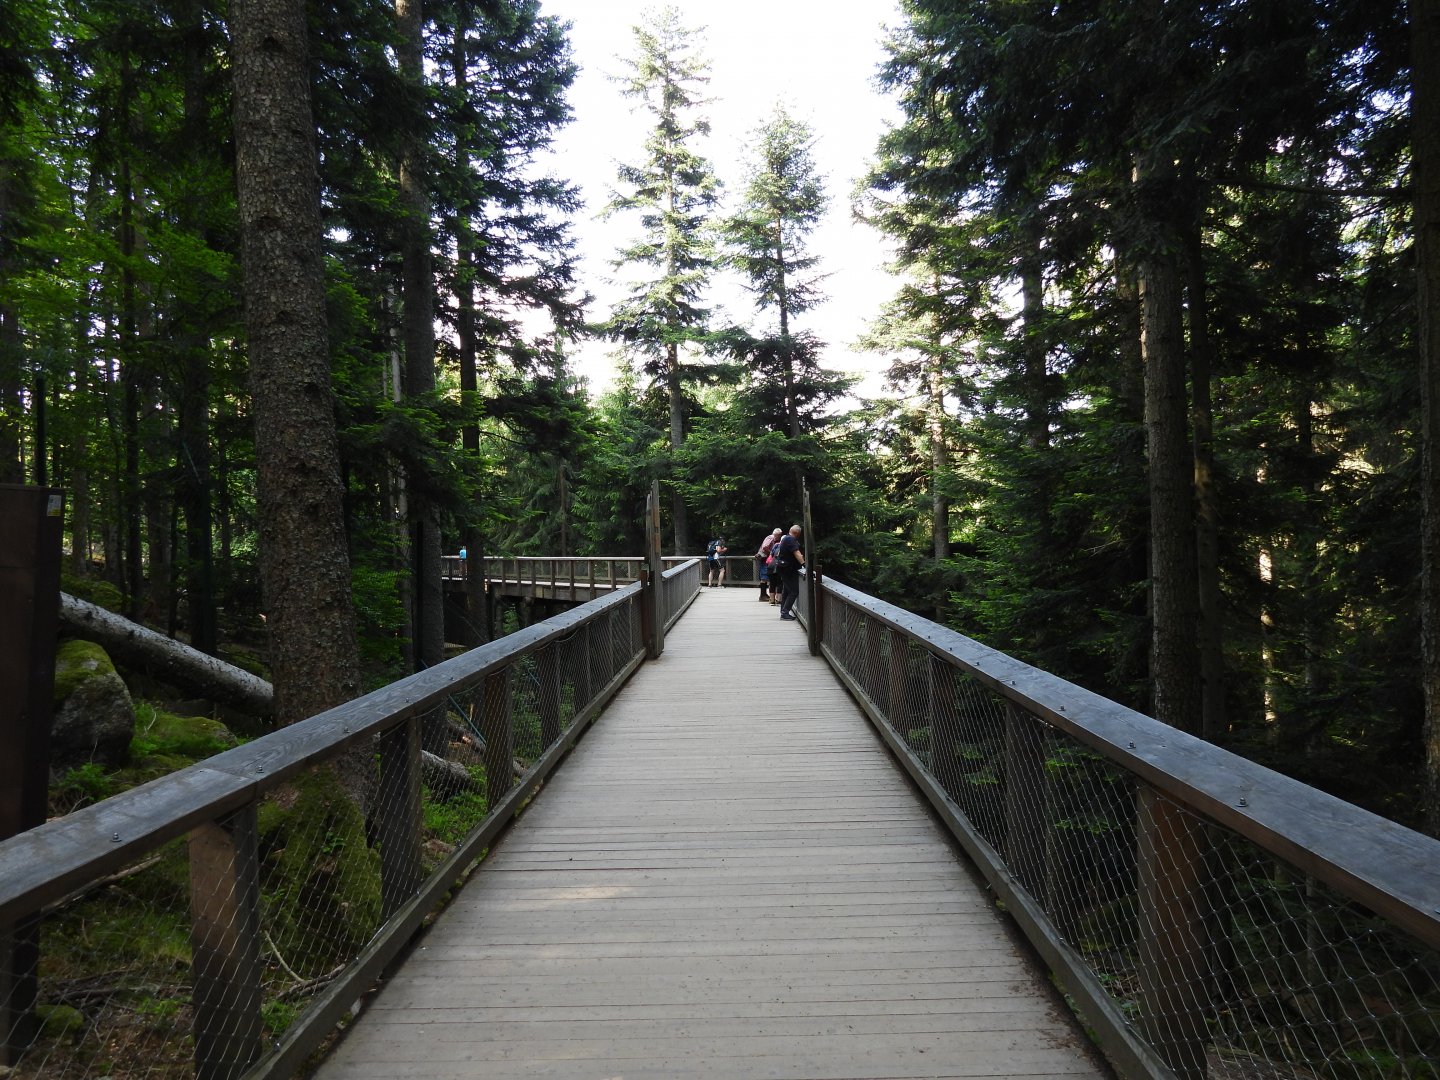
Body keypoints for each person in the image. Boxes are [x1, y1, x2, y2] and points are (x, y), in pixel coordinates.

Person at [775, 524, 805, 620]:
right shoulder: (790, 539)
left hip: (784, 569)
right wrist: (804, 565)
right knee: (794, 591)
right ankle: (785, 612)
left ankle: (783, 612)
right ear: (797, 533)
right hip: (787, 570)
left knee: (787, 591)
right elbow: (796, 553)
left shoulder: (786, 539)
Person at [756, 528, 782, 602]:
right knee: (764, 577)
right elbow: (765, 547)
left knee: (766, 577)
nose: (779, 537)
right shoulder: (771, 537)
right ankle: (763, 595)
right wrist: (771, 553)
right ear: (777, 534)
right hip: (765, 559)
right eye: (779, 535)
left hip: (766, 559)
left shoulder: (773, 539)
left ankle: (765, 595)